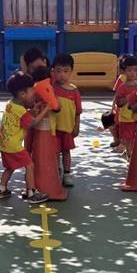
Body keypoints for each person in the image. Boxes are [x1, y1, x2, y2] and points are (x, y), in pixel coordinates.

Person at [0, 73, 51, 203]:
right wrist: (46, 109)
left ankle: (1, 189)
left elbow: (21, 116)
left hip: (3, 143)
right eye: (32, 91)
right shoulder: (21, 111)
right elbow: (32, 123)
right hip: (14, 145)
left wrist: (32, 110)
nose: (34, 94)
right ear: (22, 94)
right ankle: (32, 193)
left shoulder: (10, 104)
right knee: (30, 165)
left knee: (10, 167)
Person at [51, 53, 81, 187]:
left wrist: (77, 126)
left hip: (68, 128)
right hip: (54, 128)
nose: (62, 75)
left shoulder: (74, 91)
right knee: (55, 151)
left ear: (71, 71)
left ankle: (67, 174)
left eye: (66, 71)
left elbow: (78, 112)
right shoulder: (51, 88)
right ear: (53, 72)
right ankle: (57, 172)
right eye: (58, 71)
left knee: (66, 151)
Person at [112, 54, 137, 157]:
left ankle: (133, 153)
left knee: (136, 137)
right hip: (126, 118)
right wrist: (128, 98)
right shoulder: (122, 87)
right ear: (124, 71)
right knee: (127, 138)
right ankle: (129, 156)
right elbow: (118, 102)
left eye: (135, 70)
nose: (132, 73)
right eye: (129, 70)